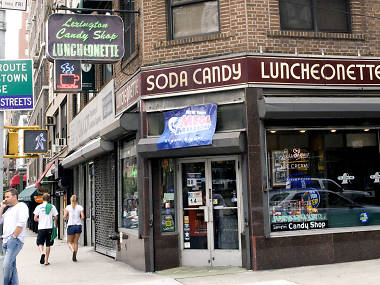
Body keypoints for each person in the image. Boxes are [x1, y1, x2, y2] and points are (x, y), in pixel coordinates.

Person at [0, 188, 29, 285]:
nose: (6, 199)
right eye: (5, 197)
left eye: (8, 197)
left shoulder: (22, 206)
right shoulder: (8, 210)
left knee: (6, 266)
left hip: (14, 241)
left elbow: (21, 222)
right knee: (12, 266)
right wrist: (2, 207)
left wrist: (14, 237)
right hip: (5, 241)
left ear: (15, 196)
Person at [33, 193, 58, 265]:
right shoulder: (52, 207)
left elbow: (35, 218)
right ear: (49, 199)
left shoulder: (39, 207)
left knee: (40, 243)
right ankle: (46, 261)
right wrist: (52, 219)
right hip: (49, 227)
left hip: (41, 228)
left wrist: (40, 220)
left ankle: (42, 253)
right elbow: (56, 217)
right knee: (48, 244)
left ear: (42, 199)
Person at [64, 195, 84, 262]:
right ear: (77, 200)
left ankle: (73, 251)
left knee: (69, 242)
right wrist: (80, 220)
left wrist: (68, 218)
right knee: (75, 242)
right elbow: (83, 217)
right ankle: (75, 255)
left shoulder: (68, 207)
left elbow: (64, 216)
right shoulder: (80, 207)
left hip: (71, 226)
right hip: (78, 226)